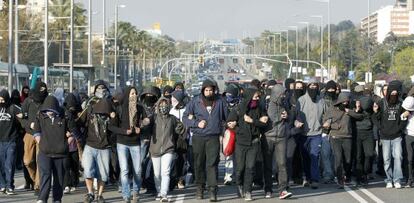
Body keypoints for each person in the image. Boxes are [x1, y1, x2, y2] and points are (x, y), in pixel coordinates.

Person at [183, 79, 228, 202]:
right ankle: (200, 187)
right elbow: (185, 118)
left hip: (213, 137)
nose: (208, 92)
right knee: (199, 163)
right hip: (198, 137)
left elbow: (226, 119)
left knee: (212, 164)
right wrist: (196, 123)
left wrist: (223, 132)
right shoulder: (195, 101)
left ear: (214, 90)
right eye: (206, 90)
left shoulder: (220, 102)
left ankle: (213, 190)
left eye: (211, 90)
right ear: (203, 90)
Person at [227, 88, 267, 201]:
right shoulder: (238, 109)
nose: (258, 99)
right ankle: (239, 184)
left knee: (250, 168)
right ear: (249, 97)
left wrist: (253, 121)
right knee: (240, 169)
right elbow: (228, 123)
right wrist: (234, 126)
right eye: (255, 97)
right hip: (240, 143)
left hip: (254, 142)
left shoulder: (260, 108)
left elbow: (264, 123)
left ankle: (248, 190)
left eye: (258, 97)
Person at [110, 86, 147, 203]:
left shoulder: (140, 108)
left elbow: (146, 120)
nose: (134, 95)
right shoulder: (119, 108)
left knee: (137, 170)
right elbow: (112, 127)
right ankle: (126, 195)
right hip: (122, 143)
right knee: (125, 170)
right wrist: (124, 131)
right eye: (131, 93)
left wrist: (141, 127)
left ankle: (136, 192)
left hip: (135, 143)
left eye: (135, 93)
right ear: (127, 95)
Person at [33, 95, 69, 203]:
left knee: (59, 178)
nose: (49, 112)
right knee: (45, 176)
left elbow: (72, 131)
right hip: (45, 152)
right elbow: (36, 132)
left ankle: (57, 199)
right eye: (47, 110)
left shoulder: (65, 116)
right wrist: (42, 143)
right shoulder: (40, 115)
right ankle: (42, 198)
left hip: (60, 153)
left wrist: (66, 143)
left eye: (52, 110)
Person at [80, 87, 113, 203]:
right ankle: (90, 193)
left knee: (103, 174)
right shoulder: (90, 108)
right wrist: (77, 136)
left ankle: (99, 195)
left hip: (104, 147)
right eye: (99, 89)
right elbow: (78, 122)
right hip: (90, 145)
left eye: (104, 90)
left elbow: (115, 127)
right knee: (88, 170)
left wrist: (113, 116)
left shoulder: (110, 107)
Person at [262, 84, 295, 199]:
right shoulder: (265, 104)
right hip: (268, 137)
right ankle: (268, 189)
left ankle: (283, 189)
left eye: (284, 93)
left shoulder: (285, 103)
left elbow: (291, 118)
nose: (283, 96)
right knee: (268, 165)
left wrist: (288, 115)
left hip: (281, 137)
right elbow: (262, 119)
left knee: (282, 164)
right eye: (281, 94)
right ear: (276, 93)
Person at [150, 96, 186, 202]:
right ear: (157, 106)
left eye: (165, 104)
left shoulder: (172, 118)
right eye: (161, 104)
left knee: (165, 172)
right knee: (157, 173)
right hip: (155, 149)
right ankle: (159, 191)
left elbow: (181, 129)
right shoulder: (153, 117)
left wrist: (181, 128)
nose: (163, 107)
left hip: (168, 148)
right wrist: (144, 123)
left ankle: (164, 194)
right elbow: (146, 127)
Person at [373, 80, 406, 189]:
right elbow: (375, 118)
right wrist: (376, 113)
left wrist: (400, 129)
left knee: (398, 157)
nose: (394, 94)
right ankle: (388, 179)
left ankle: (397, 180)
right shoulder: (381, 103)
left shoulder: (401, 103)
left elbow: (404, 118)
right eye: (392, 92)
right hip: (385, 136)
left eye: (396, 93)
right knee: (386, 159)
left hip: (397, 136)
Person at [296, 81, 326, 189]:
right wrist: (297, 123)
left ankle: (314, 179)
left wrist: (327, 122)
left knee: (315, 156)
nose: (313, 88)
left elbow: (326, 115)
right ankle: (307, 177)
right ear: (307, 87)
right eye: (311, 86)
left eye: (315, 86)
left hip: (317, 134)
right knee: (305, 157)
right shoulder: (301, 100)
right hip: (304, 134)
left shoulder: (321, 100)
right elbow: (296, 116)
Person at [21, 81, 49, 195]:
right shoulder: (28, 101)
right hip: (29, 133)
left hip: (43, 134)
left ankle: (38, 185)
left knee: (40, 160)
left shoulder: (48, 100)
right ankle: (34, 180)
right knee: (27, 161)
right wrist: (29, 125)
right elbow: (21, 117)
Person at [322, 93, 352, 188]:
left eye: (347, 101)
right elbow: (325, 122)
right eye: (343, 101)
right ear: (339, 101)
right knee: (338, 158)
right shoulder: (332, 109)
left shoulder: (350, 108)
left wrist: (350, 111)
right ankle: (340, 179)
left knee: (348, 159)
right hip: (335, 137)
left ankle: (346, 175)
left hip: (347, 136)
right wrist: (335, 126)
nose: (345, 103)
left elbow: (358, 116)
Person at [347, 95, 375, 186]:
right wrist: (357, 108)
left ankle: (365, 173)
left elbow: (376, 119)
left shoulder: (371, 110)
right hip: (358, 133)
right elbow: (354, 116)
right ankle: (359, 177)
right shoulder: (356, 109)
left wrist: (376, 111)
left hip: (369, 133)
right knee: (358, 156)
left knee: (369, 154)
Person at [0, 90, 20, 195]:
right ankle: (2, 185)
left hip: (11, 140)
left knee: (9, 164)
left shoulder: (13, 107)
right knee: (1, 165)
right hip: (0, 141)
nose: (1, 101)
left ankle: (9, 186)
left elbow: (22, 114)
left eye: (3, 100)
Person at [169, 90, 190, 189]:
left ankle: (181, 179)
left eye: (174, 98)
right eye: (172, 98)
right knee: (174, 159)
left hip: (184, 139)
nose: (172, 100)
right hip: (173, 139)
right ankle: (173, 179)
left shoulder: (186, 110)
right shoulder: (171, 110)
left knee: (183, 160)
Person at [221, 84, 241, 186]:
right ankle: (228, 176)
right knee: (228, 154)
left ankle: (237, 175)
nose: (228, 96)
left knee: (237, 155)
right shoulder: (222, 103)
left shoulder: (240, 103)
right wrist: (225, 125)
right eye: (227, 94)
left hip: (238, 131)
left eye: (230, 94)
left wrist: (236, 124)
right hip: (227, 132)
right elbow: (220, 118)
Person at [63, 93, 82, 194]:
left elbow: (81, 129)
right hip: (65, 144)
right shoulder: (63, 113)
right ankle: (66, 184)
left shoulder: (79, 114)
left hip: (75, 144)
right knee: (66, 165)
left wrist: (73, 135)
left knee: (74, 164)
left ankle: (74, 182)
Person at [320, 80, 337, 184]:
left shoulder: (338, 99)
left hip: (336, 130)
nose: (331, 90)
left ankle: (334, 173)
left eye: (333, 89)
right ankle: (327, 174)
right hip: (325, 130)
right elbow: (320, 114)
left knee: (334, 154)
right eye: (329, 89)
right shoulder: (322, 100)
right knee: (325, 153)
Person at [402, 95, 414, 187]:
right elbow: (401, 119)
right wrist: (403, 116)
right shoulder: (407, 105)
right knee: (409, 159)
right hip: (408, 136)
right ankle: (409, 179)